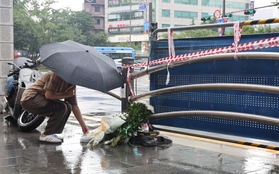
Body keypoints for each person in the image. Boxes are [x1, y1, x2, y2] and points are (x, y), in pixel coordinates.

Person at [21, 71, 89, 143]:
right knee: (61, 107)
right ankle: (45, 135)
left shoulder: (71, 84)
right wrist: (66, 94)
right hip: (30, 99)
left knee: (68, 106)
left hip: (42, 99)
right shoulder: (57, 75)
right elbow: (48, 95)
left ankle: (52, 133)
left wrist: (83, 126)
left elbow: (74, 106)